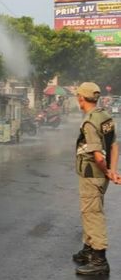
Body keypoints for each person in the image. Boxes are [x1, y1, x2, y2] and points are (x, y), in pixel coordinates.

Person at [73, 82, 121, 275]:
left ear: (81, 98)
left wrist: (108, 170)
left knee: (92, 213)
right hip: (100, 175)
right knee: (90, 209)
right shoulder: (105, 116)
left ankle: (99, 260)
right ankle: (89, 249)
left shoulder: (90, 122)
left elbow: (98, 156)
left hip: (92, 174)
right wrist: (113, 170)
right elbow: (114, 146)